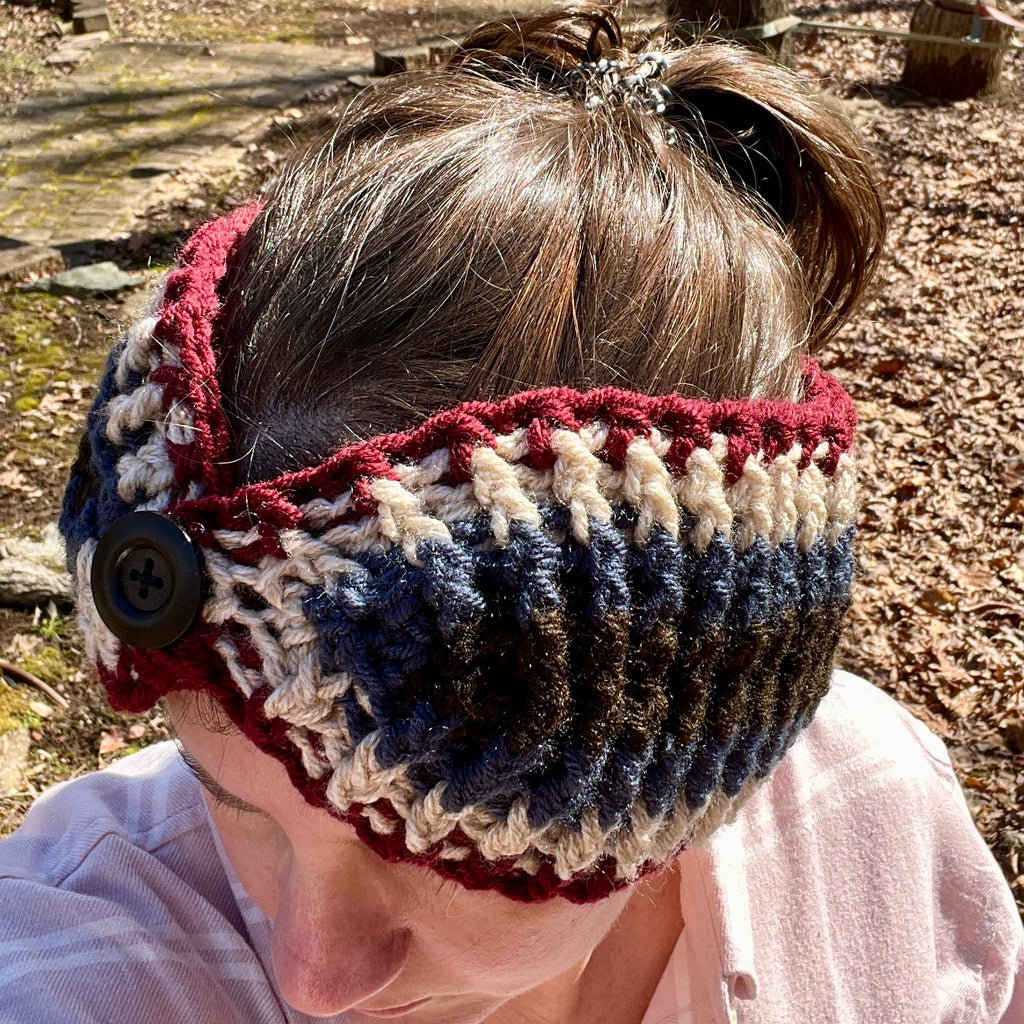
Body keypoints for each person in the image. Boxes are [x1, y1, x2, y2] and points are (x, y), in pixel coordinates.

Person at [1, 5, 1021, 1022]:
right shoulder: (80, 953)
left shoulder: (874, 814)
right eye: (232, 805)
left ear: (688, 754)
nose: (315, 974)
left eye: (424, 839)